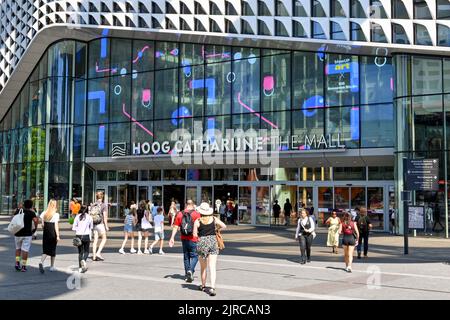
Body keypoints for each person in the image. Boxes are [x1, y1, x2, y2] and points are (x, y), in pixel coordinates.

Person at [193, 202, 227, 296]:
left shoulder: (198, 221)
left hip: (202, 243)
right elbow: (224, 226)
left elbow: (195, 235)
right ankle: (212, 287)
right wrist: (217, 229)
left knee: (203, 267)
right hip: (213, 241)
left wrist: (199, 237)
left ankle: (203, 286)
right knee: (212, 266)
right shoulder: (214, 219)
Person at [169, 199, 201, 283]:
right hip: (194, 238)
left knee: (186, 257)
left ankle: (187, 275)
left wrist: (172, 238)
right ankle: (190, 271)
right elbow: (200, 227)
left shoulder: (180, 214)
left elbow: (175, 227)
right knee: (195, 256)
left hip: (184, 238)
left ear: (186, 204)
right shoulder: (197, 214)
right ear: (193, 205)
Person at [13, 199, 39, 272]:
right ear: (31, 205)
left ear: (24, 205)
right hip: (27, 234)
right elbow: (36, 221)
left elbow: (13, 218)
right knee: (25, 250)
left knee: (18, 248)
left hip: (17, 233)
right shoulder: (31, 213)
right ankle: (23, 266)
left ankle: (17, 263)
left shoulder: (18, 211)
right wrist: (35, 228)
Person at [38, 199, 60, 273]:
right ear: (55, 205)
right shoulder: (56, 214)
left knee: (46, 249)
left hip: (46, 233)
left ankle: (41, 262)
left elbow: (42, 225)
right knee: (53, 249)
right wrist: (58, 235)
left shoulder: (44, 213)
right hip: (52, 233)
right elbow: (56, 226)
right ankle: (52, 266)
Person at [72, 205, 93, 273]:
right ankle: (84, 260)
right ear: (87, 210)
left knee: (80, 252)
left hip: (78, 236)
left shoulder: (77, 216)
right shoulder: (89, 217)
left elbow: (74, 228)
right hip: (86, 236)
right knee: (86, 251)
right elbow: (91, 227)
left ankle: (80, 268)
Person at [90, 191, 109, 261]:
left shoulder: (93, 204)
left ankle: (94, 256)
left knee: (95, 240)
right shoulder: (103, 205)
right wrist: (106, 226)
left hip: (94, 224)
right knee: (104, 238)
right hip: (100, 224)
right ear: (102, 196)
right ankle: (98, 253)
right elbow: (105, 217)